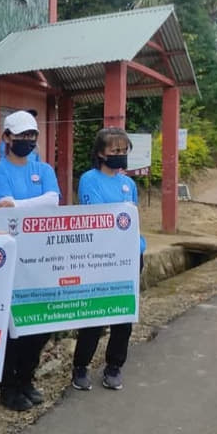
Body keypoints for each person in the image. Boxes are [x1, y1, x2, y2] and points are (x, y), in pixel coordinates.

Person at [0, 110, 60, 411]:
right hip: (10, 258)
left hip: (41, 255)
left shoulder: (44, 169)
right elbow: (3, 208)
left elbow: (53, 201)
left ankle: (27, 378)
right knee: (11, 326)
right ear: (7, 137)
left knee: (40, 323)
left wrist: (17, 203)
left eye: (32, 135)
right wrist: (24, 205)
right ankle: (8, 386)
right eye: (21, 135)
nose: (28, 141)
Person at [71, 128, 145, 391]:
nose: (120, 155)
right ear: (101, 153)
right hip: (101, 256)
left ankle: (114, 366)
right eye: (115, 150)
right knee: (95, 313)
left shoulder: (128, 184)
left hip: (130, 255)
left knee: (124, 314)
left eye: (123, 150)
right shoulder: (89, 179)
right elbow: (99, 216)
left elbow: (131, 217)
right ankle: (80, 366)